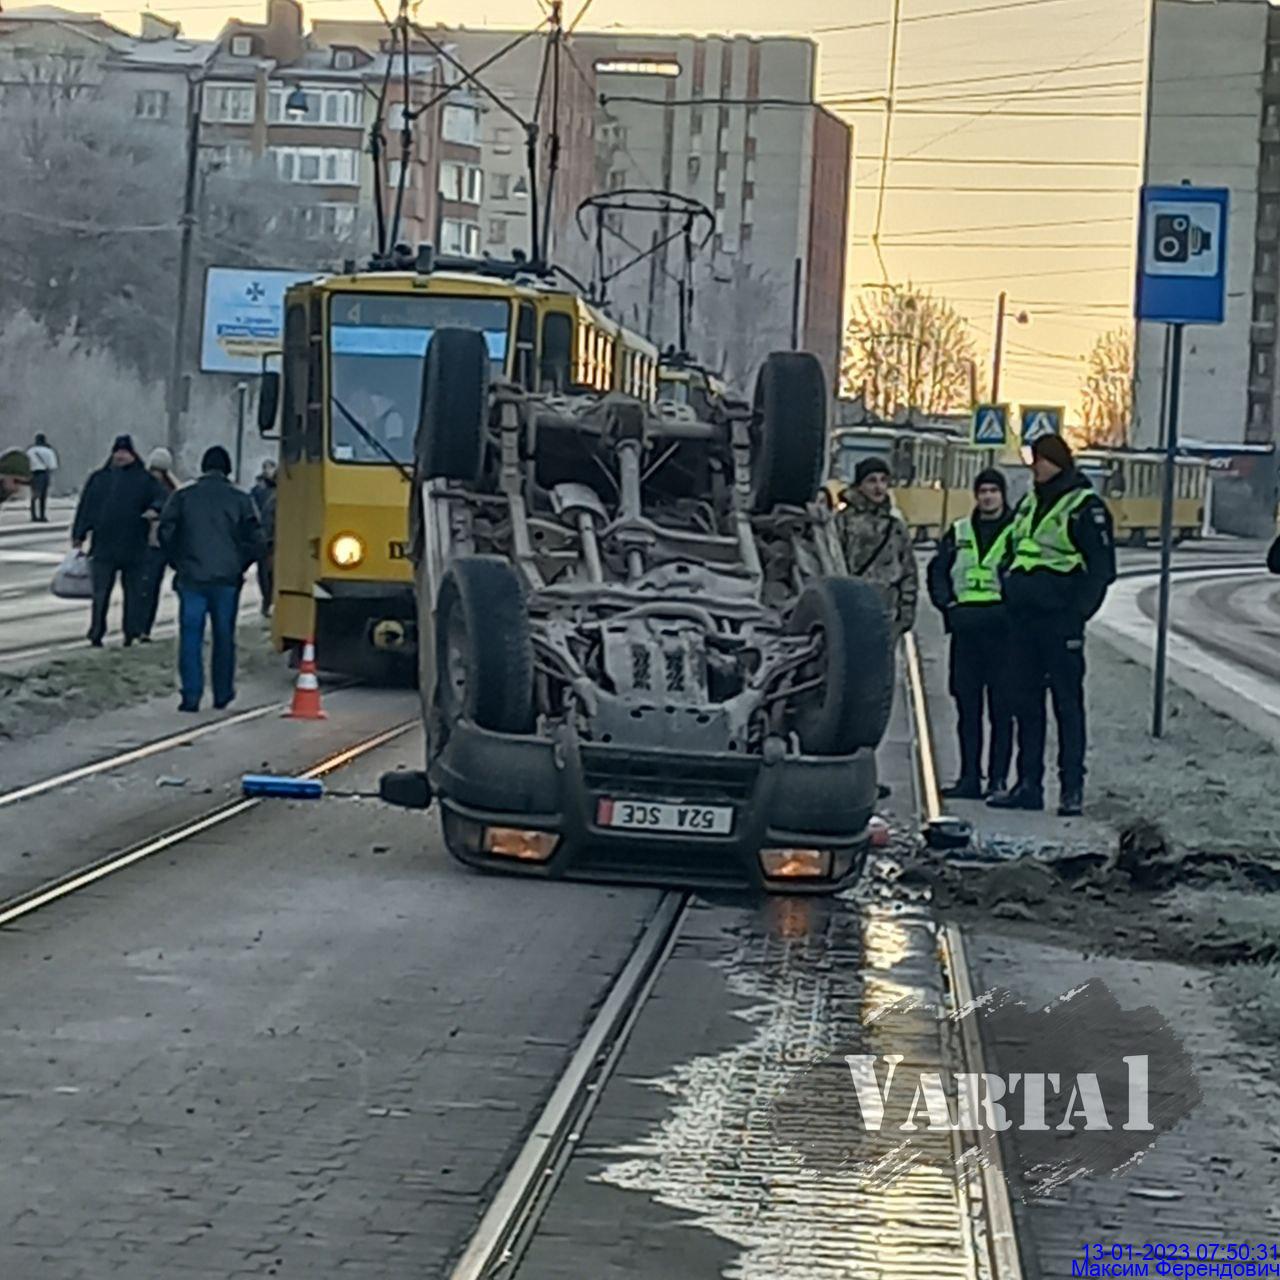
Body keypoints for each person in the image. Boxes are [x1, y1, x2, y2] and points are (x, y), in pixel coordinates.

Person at [989, 434, 1115, 817]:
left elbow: (1102, 570)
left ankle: (1071, 789)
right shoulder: (1029, 504)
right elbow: (1011, 549)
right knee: (1025, 704)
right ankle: (1028, 784)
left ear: (1057, 462)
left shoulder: (1084, 506)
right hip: (1023, 621)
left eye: (1041, 460)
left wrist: (1075, 615)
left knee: (1067, 706)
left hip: (1060, 623)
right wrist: (1009, 585)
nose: (1034, 467)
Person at [927, 468, 1016, 799]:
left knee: (1002, 710)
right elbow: (938, 572)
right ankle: (969, 778)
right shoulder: (960, 531)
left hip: (1003, 634)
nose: (988, 497)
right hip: (966, 632)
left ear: (1002, 495)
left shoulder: (1016, 532)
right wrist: (947, 605)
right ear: (975, 496)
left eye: (993, 490)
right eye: (983, 491)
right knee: (967, 707)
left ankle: (997, 780)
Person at [159, 445, 263, 712]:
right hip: (226, 579)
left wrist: (179, 562)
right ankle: (222, 692)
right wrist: (239, 564)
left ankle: (191, 694)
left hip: (192, 577)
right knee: (224, 636)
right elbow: (256, 539)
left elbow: (166, 532)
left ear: (203, 467)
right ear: (227, 469)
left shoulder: (184, 497)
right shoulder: (240, 500)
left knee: (191, 636)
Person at [72, 435, 166, 647]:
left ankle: (130, 632)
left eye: (125, 452)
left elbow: (162, 498)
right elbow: (86, 507)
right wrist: (79, 534)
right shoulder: (99, 479)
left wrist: (154, 510)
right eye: (118, 452)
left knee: (133, 594)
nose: (121, 456)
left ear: (132, 455)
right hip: (104, 546)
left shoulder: (144, 479)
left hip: (134, 546)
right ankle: (96, 632)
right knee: (100, 594)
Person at [838, 456, 919, 637]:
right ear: (859, 486)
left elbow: (908, 571)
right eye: (871, 481)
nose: (879, 487)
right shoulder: (842, 522)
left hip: (886, 614)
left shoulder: (895, 526)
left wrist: (906, 613)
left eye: (883, 480)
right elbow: (834, 566)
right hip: (852, 610)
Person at [138, 447, 182, 641]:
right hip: (151, 544)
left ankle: (143, 626)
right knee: (146, 587)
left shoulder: (169, 492)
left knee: (149, 586)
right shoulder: (171, 490)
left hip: (156, 545)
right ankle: (141, 626)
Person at [250, 459, 277, 617]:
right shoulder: (261, 492)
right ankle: (267, 601)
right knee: (266, 574)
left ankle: (268, 601)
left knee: (268, 574)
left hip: (267, 537)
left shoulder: (264, 492)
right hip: (267, 538)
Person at [27, 433, 58, 523]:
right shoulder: (49, 451)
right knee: (43, 496)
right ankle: (42, 515)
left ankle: (33, 515)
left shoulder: (30, 451)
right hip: (44, 473)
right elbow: (53, 465)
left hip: (33, 474)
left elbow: (26, 463)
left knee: (34, 495)